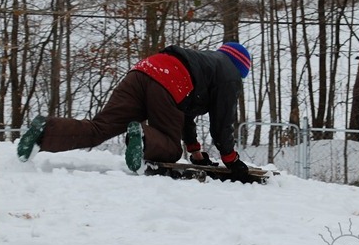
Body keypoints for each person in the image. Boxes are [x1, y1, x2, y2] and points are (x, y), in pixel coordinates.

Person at [17, 42, 251, 182]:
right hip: (170, 82)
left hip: (143, 71)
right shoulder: (230, 75)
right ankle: (143, 135)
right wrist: (231, 159)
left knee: (100, 127)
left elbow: (185, 113)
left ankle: (44, 131)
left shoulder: (206, 64)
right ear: (241, 69)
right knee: (170, 148)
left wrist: (196, 152)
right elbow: (222, 122)